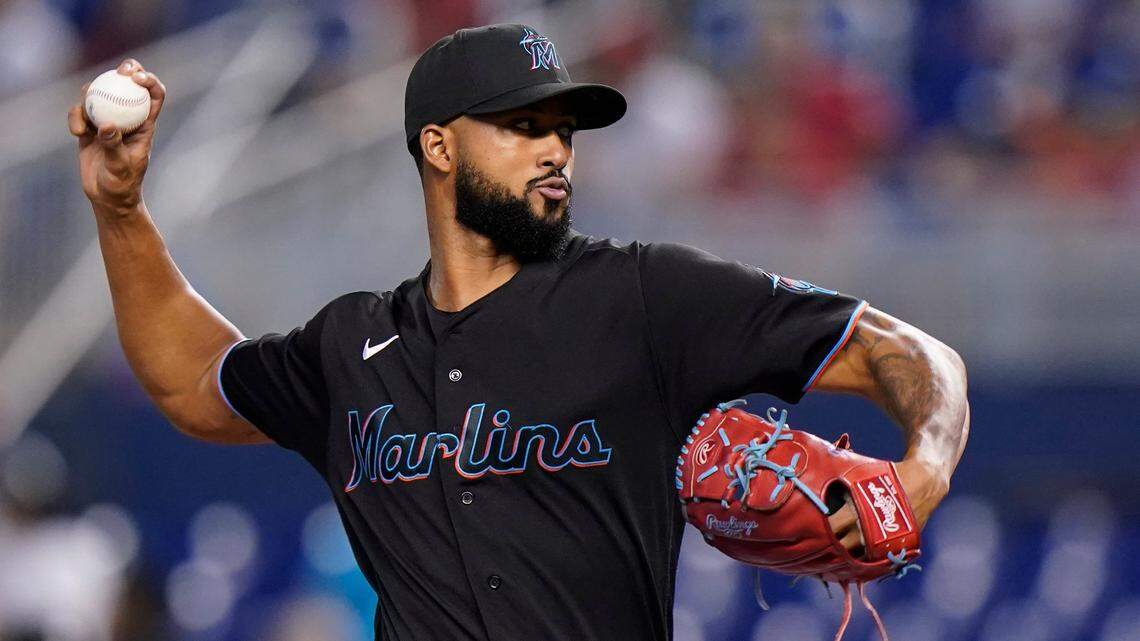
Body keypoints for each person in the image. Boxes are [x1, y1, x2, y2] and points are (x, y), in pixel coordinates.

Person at [67, 23, 969, 641]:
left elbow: (905, 350)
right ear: (439, 147)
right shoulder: (352, 347)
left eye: (563, 129)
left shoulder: (647, 295)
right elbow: (194, 382)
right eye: (522, 124)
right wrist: (120, 212)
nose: (555, 149)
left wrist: (920, 474)